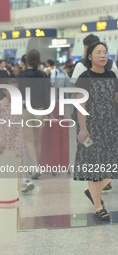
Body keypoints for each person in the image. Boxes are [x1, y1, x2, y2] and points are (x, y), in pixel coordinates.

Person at [73, 41, 118, 222]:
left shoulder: (112, 75)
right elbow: (80, 104)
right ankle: (98, 207)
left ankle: (94, 191)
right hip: (91, 126)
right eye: (98, 52)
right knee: (94, 166)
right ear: (90, 56)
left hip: (110, 125)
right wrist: (83, 128)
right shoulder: (84, 77)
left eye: (105, 52)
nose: (102, 55)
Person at [0, 79, 34, 193]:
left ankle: (24, 181)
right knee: (3, 158)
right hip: (3, 135)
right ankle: (3, 182)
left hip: (16, 135)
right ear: (5, 91)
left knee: (19, 157)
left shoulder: (19, 103)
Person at [18, 50, 52, 180]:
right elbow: (47, 92)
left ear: (26, 61)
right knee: (37, 140)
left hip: (26, 109)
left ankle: (35, 166)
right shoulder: (43, 74)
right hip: (40, 109)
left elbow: (18, 91)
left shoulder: (21, 75)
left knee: (28, 141)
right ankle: (36, 167)